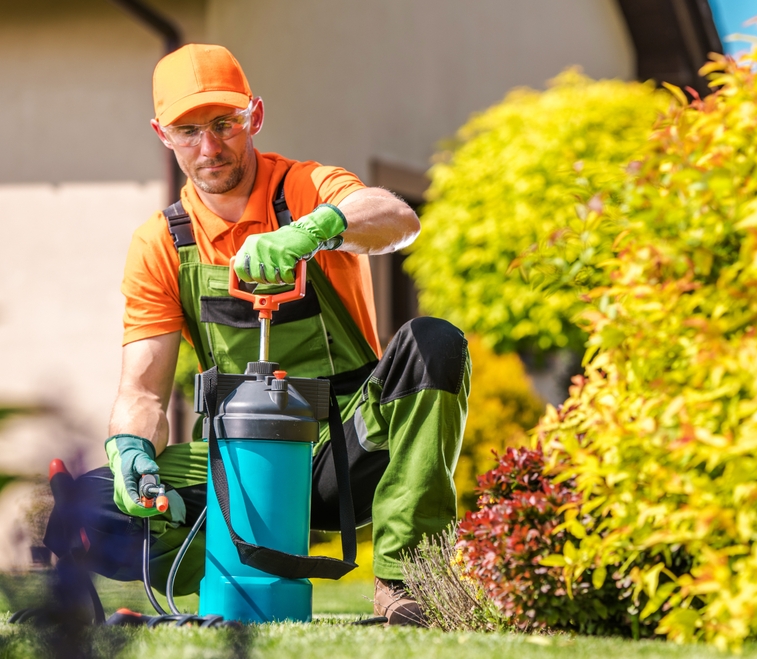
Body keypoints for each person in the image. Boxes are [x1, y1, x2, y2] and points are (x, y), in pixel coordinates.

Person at [43, 44, 469, 626]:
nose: (209, 147)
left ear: (256, 116)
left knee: (434, 342)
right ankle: (224, 564)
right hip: (240, 464)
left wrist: (318, 229)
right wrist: (131, 449)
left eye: (225, 123)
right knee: (86, 508)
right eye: (188, 131)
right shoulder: (161, 243)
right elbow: (141, 392)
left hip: (345, 457)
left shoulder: (306, 188)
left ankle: (406, 585)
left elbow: (398, 218)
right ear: (162, 135)